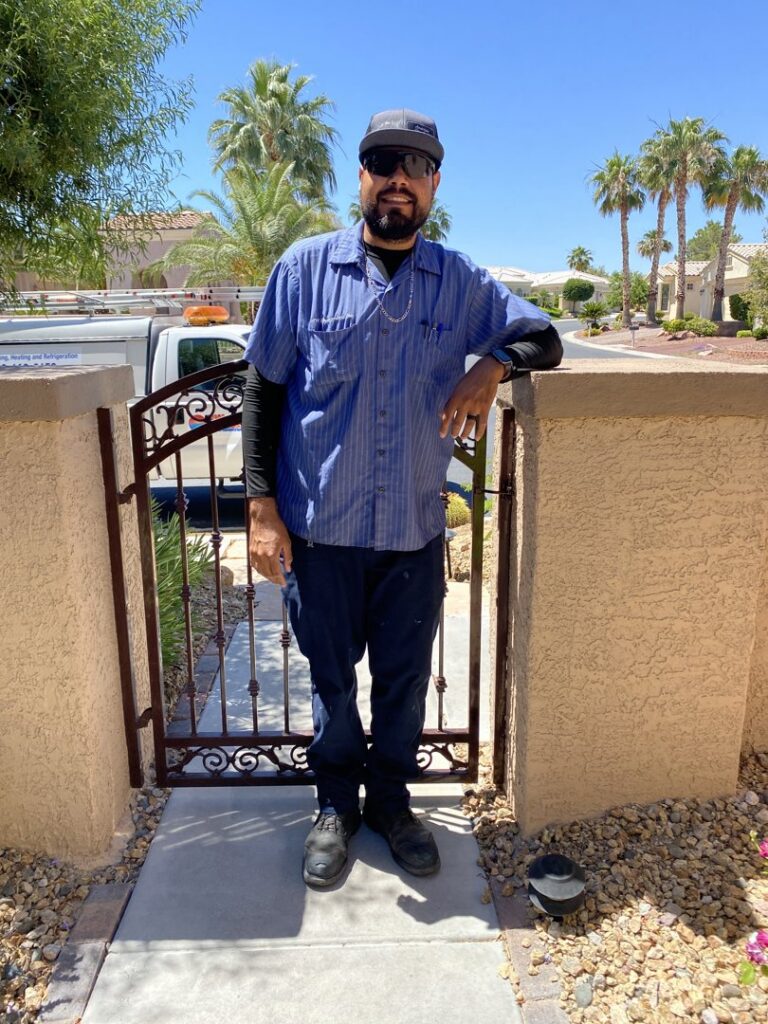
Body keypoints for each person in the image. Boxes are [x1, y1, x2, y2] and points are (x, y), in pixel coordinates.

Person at [242, 108, 562, 888]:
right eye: (383, 161)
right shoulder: (303, 270)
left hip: (414, 531)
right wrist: (260, 507)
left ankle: (389, 802)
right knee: (329, 678)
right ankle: (333, 808)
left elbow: (544, 338)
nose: (397, 179)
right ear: (362, 176)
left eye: (414, 166)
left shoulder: (458, 282)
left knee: (405, 679)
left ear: (434, 185)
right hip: (321, 531)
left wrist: (491, 367)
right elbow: (263, 386)